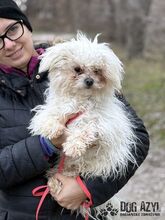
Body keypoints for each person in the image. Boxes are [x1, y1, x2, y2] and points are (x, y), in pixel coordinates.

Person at [0, 0, 149, 219]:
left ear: (26, 25)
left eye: (12, 29)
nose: (10, 44)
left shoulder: (79, 57)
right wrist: (46, 144)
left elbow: (137, 138)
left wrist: (87, 189)